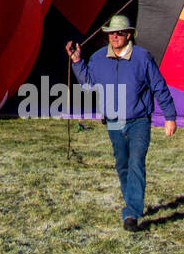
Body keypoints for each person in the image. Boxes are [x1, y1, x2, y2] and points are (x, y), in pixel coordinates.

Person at [66, 14, 177, 233]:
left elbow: (159, 87)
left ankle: (132, 213)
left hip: (138, 121)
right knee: (122, 163)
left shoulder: (143, 58)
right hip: (113, 121)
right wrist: (77, 62)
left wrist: (170, 116)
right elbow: (89, 85)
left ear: (129, 35)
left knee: (136, 162)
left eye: (120, 33)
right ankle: (132, 203)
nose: (115, 37)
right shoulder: (98, 58)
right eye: (111, 33)